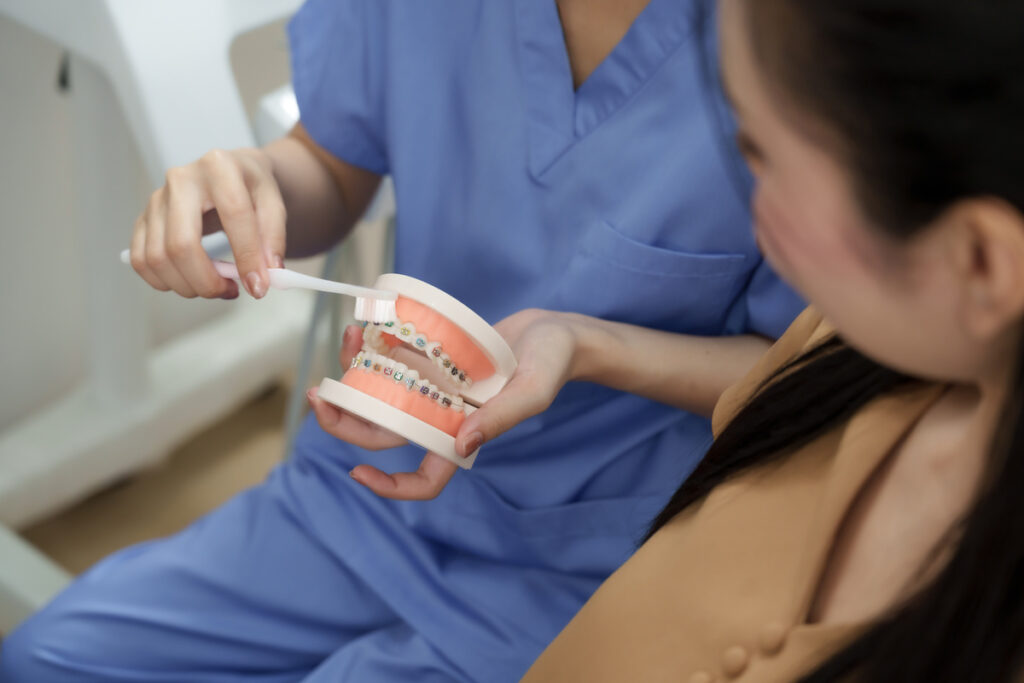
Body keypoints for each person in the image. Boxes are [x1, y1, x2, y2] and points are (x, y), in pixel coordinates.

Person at [0, 0, 802, 681]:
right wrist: (253, 188)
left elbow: (813, 365)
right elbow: (333, 165)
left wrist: (588, 344)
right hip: (366, 483)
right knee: (45, 658)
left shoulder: (797, 50)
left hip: (601, 553)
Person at [521, 0, 1024, 680]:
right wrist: (580, 342)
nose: (752, 212)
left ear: (982, 262)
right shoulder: (850, 359)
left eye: (762, 153)